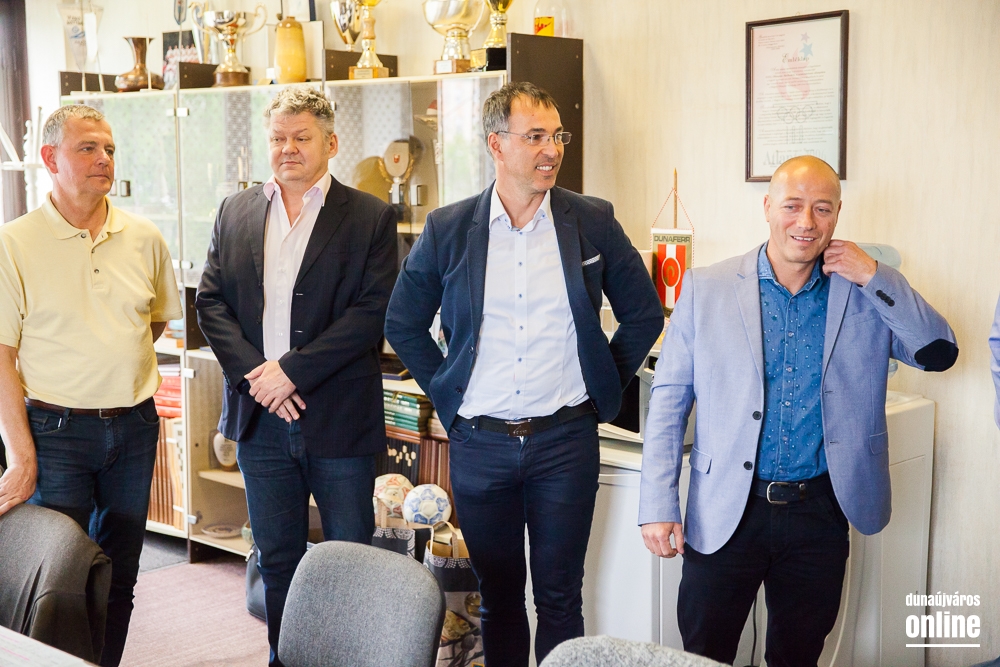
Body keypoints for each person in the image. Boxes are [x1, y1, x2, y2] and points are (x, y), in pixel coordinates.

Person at [638, 155, 959, 665]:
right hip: (726, 509)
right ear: (768, 207)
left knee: (799, 656)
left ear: (837, 214)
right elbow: (669, 399)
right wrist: (658, 503)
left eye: (822, 208)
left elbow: (939, 352)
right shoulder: (707, 287)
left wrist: (875, 274)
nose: (806, 222)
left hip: (819, 513)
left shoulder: (865, 293)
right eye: (792, 206)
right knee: (703, 655)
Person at [385, 81, 664, 666]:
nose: (551, 149)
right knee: (500, 598)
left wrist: (601, 387)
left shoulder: (592, 221)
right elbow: (403, 323)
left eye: (557, 136)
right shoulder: (448, 228)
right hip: (479, 442)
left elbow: (642, 314)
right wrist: (449, 393)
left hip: (565, 441)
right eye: (535, 136)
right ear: (497, 144)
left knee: (560, 597)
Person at [195, 85, 397, 666]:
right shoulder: (234, 211)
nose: (288, 148)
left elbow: (372, 312)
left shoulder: (370, 216)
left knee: (349, 561)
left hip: (339, 419)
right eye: (278, 138)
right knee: (276, 558)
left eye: (301, 137)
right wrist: (260, 378)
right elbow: (211, 303)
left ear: (330, 143)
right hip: (260, 421)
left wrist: (290, 374)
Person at [0, 104, 183, 667]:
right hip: (55, 432)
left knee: (121, 574)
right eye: (87, 148)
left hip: (134, 426)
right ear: (50, 158)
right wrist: (21, 456)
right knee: (57, 581)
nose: (103, 158)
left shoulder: (144, 237)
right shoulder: (13, 243)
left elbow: (152, 322)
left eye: (108, 149)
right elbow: (2, 356)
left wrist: (108, 362)